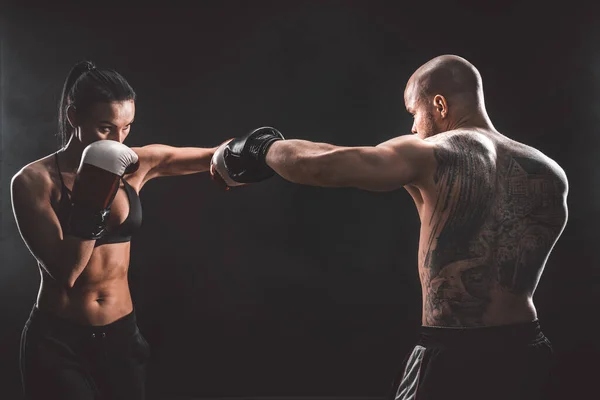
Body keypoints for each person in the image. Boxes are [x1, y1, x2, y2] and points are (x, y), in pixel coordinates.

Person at [211, 55, 568, 400]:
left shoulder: (430, 153)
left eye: (415, 112)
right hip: (526, 351)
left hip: (455, 350)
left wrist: (260, 148)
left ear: (439, 105)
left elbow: (325, 164)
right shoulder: (549, 172)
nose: (413, 127)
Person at [11, 60, 218, 400]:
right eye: (106, 129)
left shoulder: (135, 164)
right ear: (73, 116)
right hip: (59, 344)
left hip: (123, 338)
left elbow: (212, 156)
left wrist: (251, 153)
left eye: (127, 128)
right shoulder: (34, 181)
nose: (119, 141)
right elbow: (66, 271)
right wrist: (95, 195)